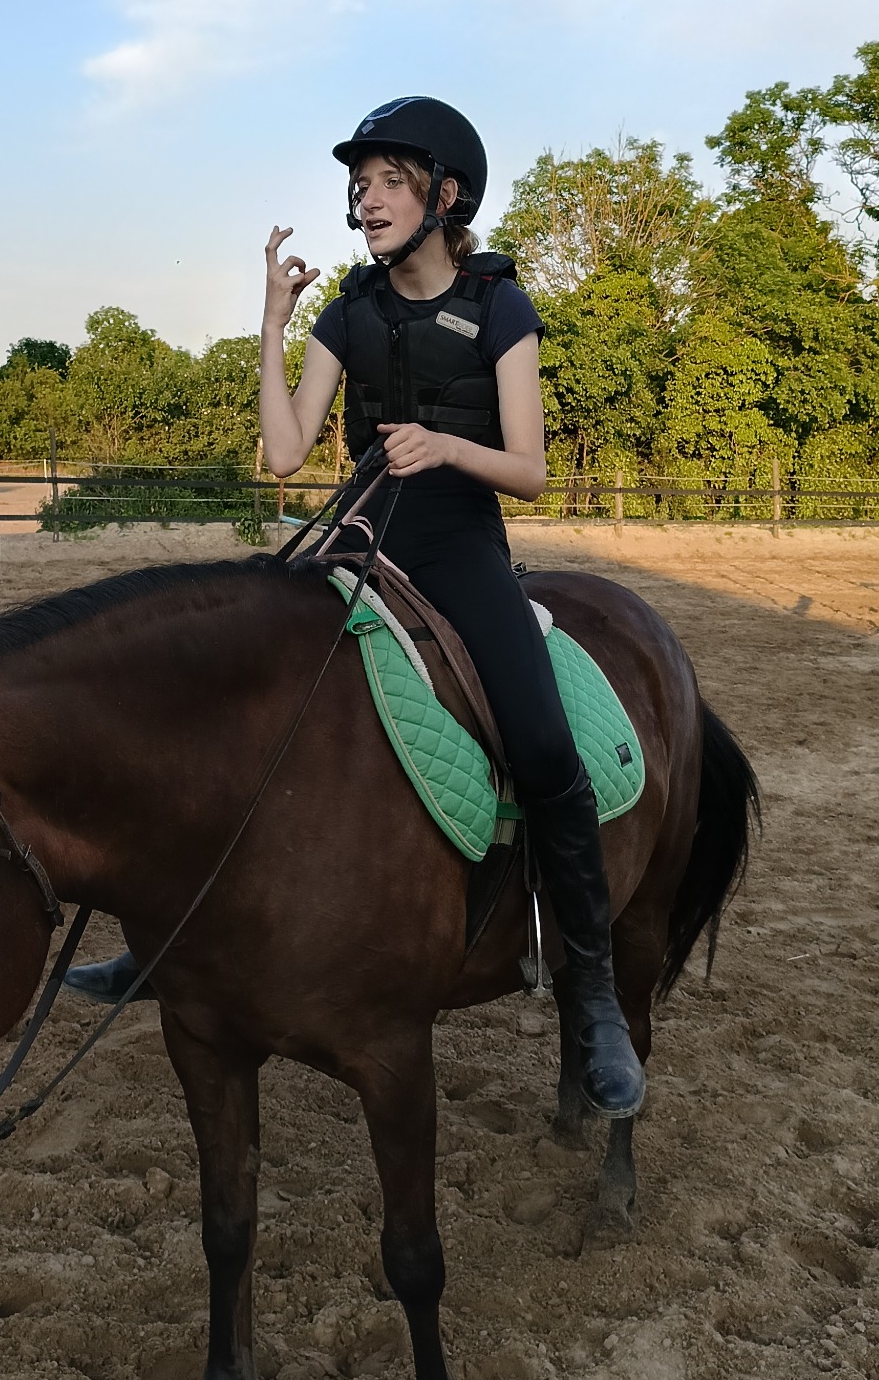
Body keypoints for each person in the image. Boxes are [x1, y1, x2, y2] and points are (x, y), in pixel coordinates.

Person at [65, 96, 644, 1124]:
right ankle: (161, 945)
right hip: (357, 537)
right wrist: (276, 325)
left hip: (459, 545)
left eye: (386, 181)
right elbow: (287, 452)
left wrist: (444, 447)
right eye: (359, 182)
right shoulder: (350, 311)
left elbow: (534, 471)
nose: (364, 198)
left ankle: (592, 995)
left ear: (444, 195)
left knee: (546, 746)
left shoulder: (501, 308)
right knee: (219, 703)